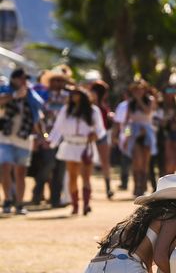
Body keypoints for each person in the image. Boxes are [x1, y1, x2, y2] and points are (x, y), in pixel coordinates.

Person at [48, 87, 106, 215]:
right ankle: (75, 205)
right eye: (72, 95)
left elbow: (100, 130)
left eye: (77, 95)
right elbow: (58, 128)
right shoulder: (66, 110)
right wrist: (51, 142)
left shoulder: (93, 111)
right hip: (70, 145)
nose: (74, 97)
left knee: (86, 176)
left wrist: (94, 135)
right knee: (72, 177)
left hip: (86, 146)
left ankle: (86, 204)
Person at [0, 68, 45, 214]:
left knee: (21, 172)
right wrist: (14, 96)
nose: (24, 81)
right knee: (5, 167)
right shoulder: (5, 90)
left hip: (24, 138)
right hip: (5, 137)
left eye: (25, 79)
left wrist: (42, 135)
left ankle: (19, 204)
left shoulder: (31, 95)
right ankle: (7, 200)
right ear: (13, 79)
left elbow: (37, 117)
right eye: (21, 78)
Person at [31, 71, 71, 207]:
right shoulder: (43, 96)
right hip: (47, 138)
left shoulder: (68, 97)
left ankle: (55, 199)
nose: (58, 84)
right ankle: (37, 194)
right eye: (55, 81)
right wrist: (40, 136)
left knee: (60, 170)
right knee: (48, 166)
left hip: (64, 139)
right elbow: (38, 117)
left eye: (61, 81)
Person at [120, 80, 157, 197]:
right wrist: (126, 137)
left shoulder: (150, 100)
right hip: (134, 132)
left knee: (145, 162)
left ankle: (144, 186)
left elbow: (148, 112)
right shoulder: (130, 104)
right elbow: (127, 122)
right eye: (135, 90)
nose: (138, 91)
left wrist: (139, 100)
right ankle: (136, 186)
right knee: (137, 162)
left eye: (140, 89)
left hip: (147, 132)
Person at [88, 80, 116, 200]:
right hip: (94, 135)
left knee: (102, 162)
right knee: (95, 162)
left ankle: (107, 187)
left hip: (101, 135)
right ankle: (106, 187)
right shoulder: (94, 106)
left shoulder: (102, 106)